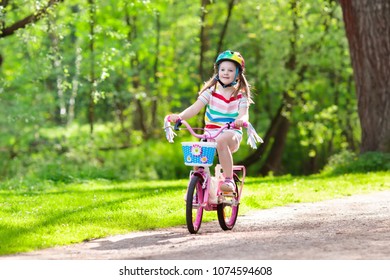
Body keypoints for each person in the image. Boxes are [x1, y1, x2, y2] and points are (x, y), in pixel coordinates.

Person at [168, 50, 253, 192]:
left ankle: (228, 180)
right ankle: (200, 187)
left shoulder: (240, 95)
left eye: (230, 70)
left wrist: (240, 120)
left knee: (221, 140)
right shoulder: (211, 91)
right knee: (197, 154)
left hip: (231, 133)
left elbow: (244, 114)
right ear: (217, 71)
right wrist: (180, 116)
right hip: (210, 134)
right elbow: (195, 108)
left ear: (238, 74)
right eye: (223, 69)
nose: (226, 72)